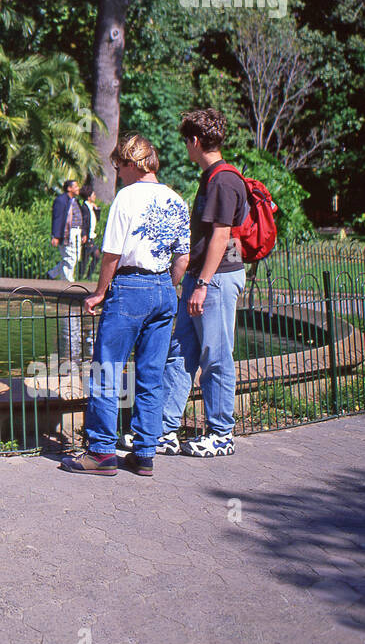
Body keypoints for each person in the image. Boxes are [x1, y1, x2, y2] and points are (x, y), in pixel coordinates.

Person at [61, 134, 191, 477]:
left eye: (118, 167)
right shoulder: (176, 199)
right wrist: (166, 288)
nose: (117, 175)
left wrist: (100, 291)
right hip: (164, 286)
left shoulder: (126, 197)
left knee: (107, 369)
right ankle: (145, 452)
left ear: (132, 164)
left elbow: (112, 254)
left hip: (129, 285)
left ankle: (102, 452)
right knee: (151, 374)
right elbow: (183, 256)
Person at [157, 108, 249, 458]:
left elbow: (222, 235)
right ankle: (164, 429)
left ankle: (221, 433)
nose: (185, 148)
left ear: (195, 141)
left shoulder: (224, 180)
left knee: (216, 356)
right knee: (180, 353)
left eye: (186, 141)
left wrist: (202, 284)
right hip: (204, 278)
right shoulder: (211, 176)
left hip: (217, 280)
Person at [48, 180, 82, 282]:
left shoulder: (74, 200)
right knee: (70, 257)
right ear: (69, 188)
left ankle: (52, 274)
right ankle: (67, 282)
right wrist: (56, 236)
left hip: (76, 232)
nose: (78, 188)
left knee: (74, 257)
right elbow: (57, 218)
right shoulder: (61, 200)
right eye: (75, 186)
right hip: (67, 232)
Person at [77, 184, 101, 282]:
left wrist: (97, 209)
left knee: (95, 256)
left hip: (91, 236)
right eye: (93, 195)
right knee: (85, 259)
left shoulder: (91, 207)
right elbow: (84, 222)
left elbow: (97, 219)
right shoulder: (84, 208)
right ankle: (81, 276)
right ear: (89, 197)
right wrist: (84, 234)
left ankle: (87, 276)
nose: (95, 196)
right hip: (87, 236)